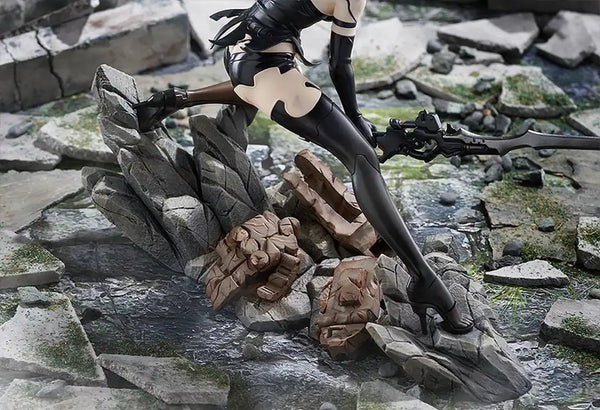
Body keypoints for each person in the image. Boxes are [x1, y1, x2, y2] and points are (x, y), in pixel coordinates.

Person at [133, 0, 473, 335]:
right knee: (362, 159)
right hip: (264, 66)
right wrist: (356, 121)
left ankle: (177, 99)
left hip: (243, 50)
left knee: (276, 87)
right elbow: (339, 65)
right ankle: (425, 280)